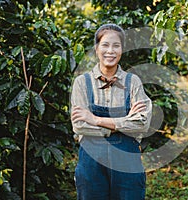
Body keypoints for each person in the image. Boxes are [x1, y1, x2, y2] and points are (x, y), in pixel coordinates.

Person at [70, 24, 152, 200]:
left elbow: (142, 124)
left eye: (116, 45)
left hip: (127, 159)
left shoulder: (133, 82)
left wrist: (95, 119)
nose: (110, 51)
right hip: (91, 159)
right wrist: (125, 122)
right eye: (105, 45)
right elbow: (79, 125)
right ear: (96, 48)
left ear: (122, 49)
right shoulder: (82, 83)